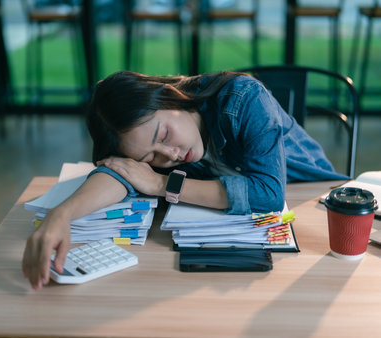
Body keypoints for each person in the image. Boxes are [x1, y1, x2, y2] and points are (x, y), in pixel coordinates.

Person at [22, 70, 347, 290]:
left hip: (313, 199)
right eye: (149, 157)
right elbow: (119, 173)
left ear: (168, 97)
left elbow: (268, 195)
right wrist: (59, 216)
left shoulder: (245, 98)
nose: (169, 154)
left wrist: (162, 184)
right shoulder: (150, 143)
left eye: (163, 134)